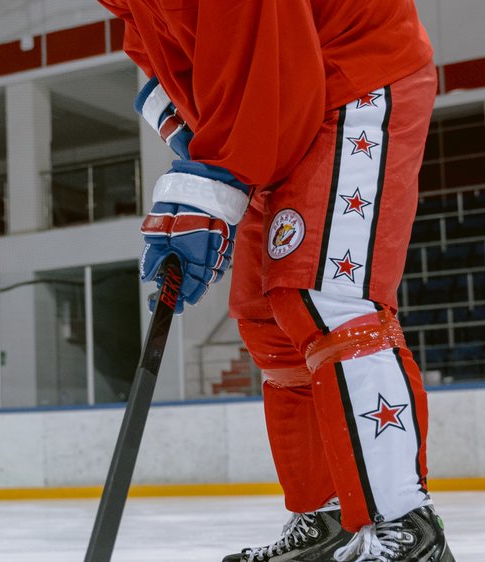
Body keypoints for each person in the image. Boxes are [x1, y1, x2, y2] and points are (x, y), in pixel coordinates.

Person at [98, 1, 454, 561]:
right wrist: (202, 166)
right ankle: (326, 518)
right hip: (281, 99)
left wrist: (215, 180)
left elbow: (266, 51)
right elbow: (179, 62)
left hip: (352, 73)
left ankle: (405, 526)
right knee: (269, 322)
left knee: (327, 297)